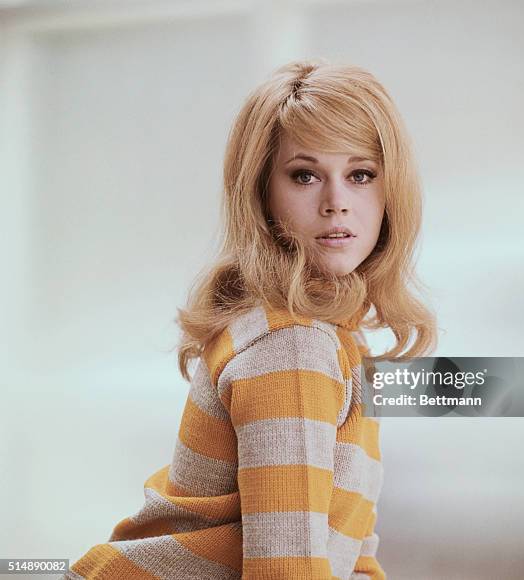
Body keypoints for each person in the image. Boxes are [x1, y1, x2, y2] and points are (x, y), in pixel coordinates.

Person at [62, 58, 437, 580]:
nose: (336, 203)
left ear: (390, 190)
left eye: (360, 174)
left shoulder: (334, 339)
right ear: (260, 193)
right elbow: (285, 572)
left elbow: (350, 552)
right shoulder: (292, 345)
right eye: (304, 175)